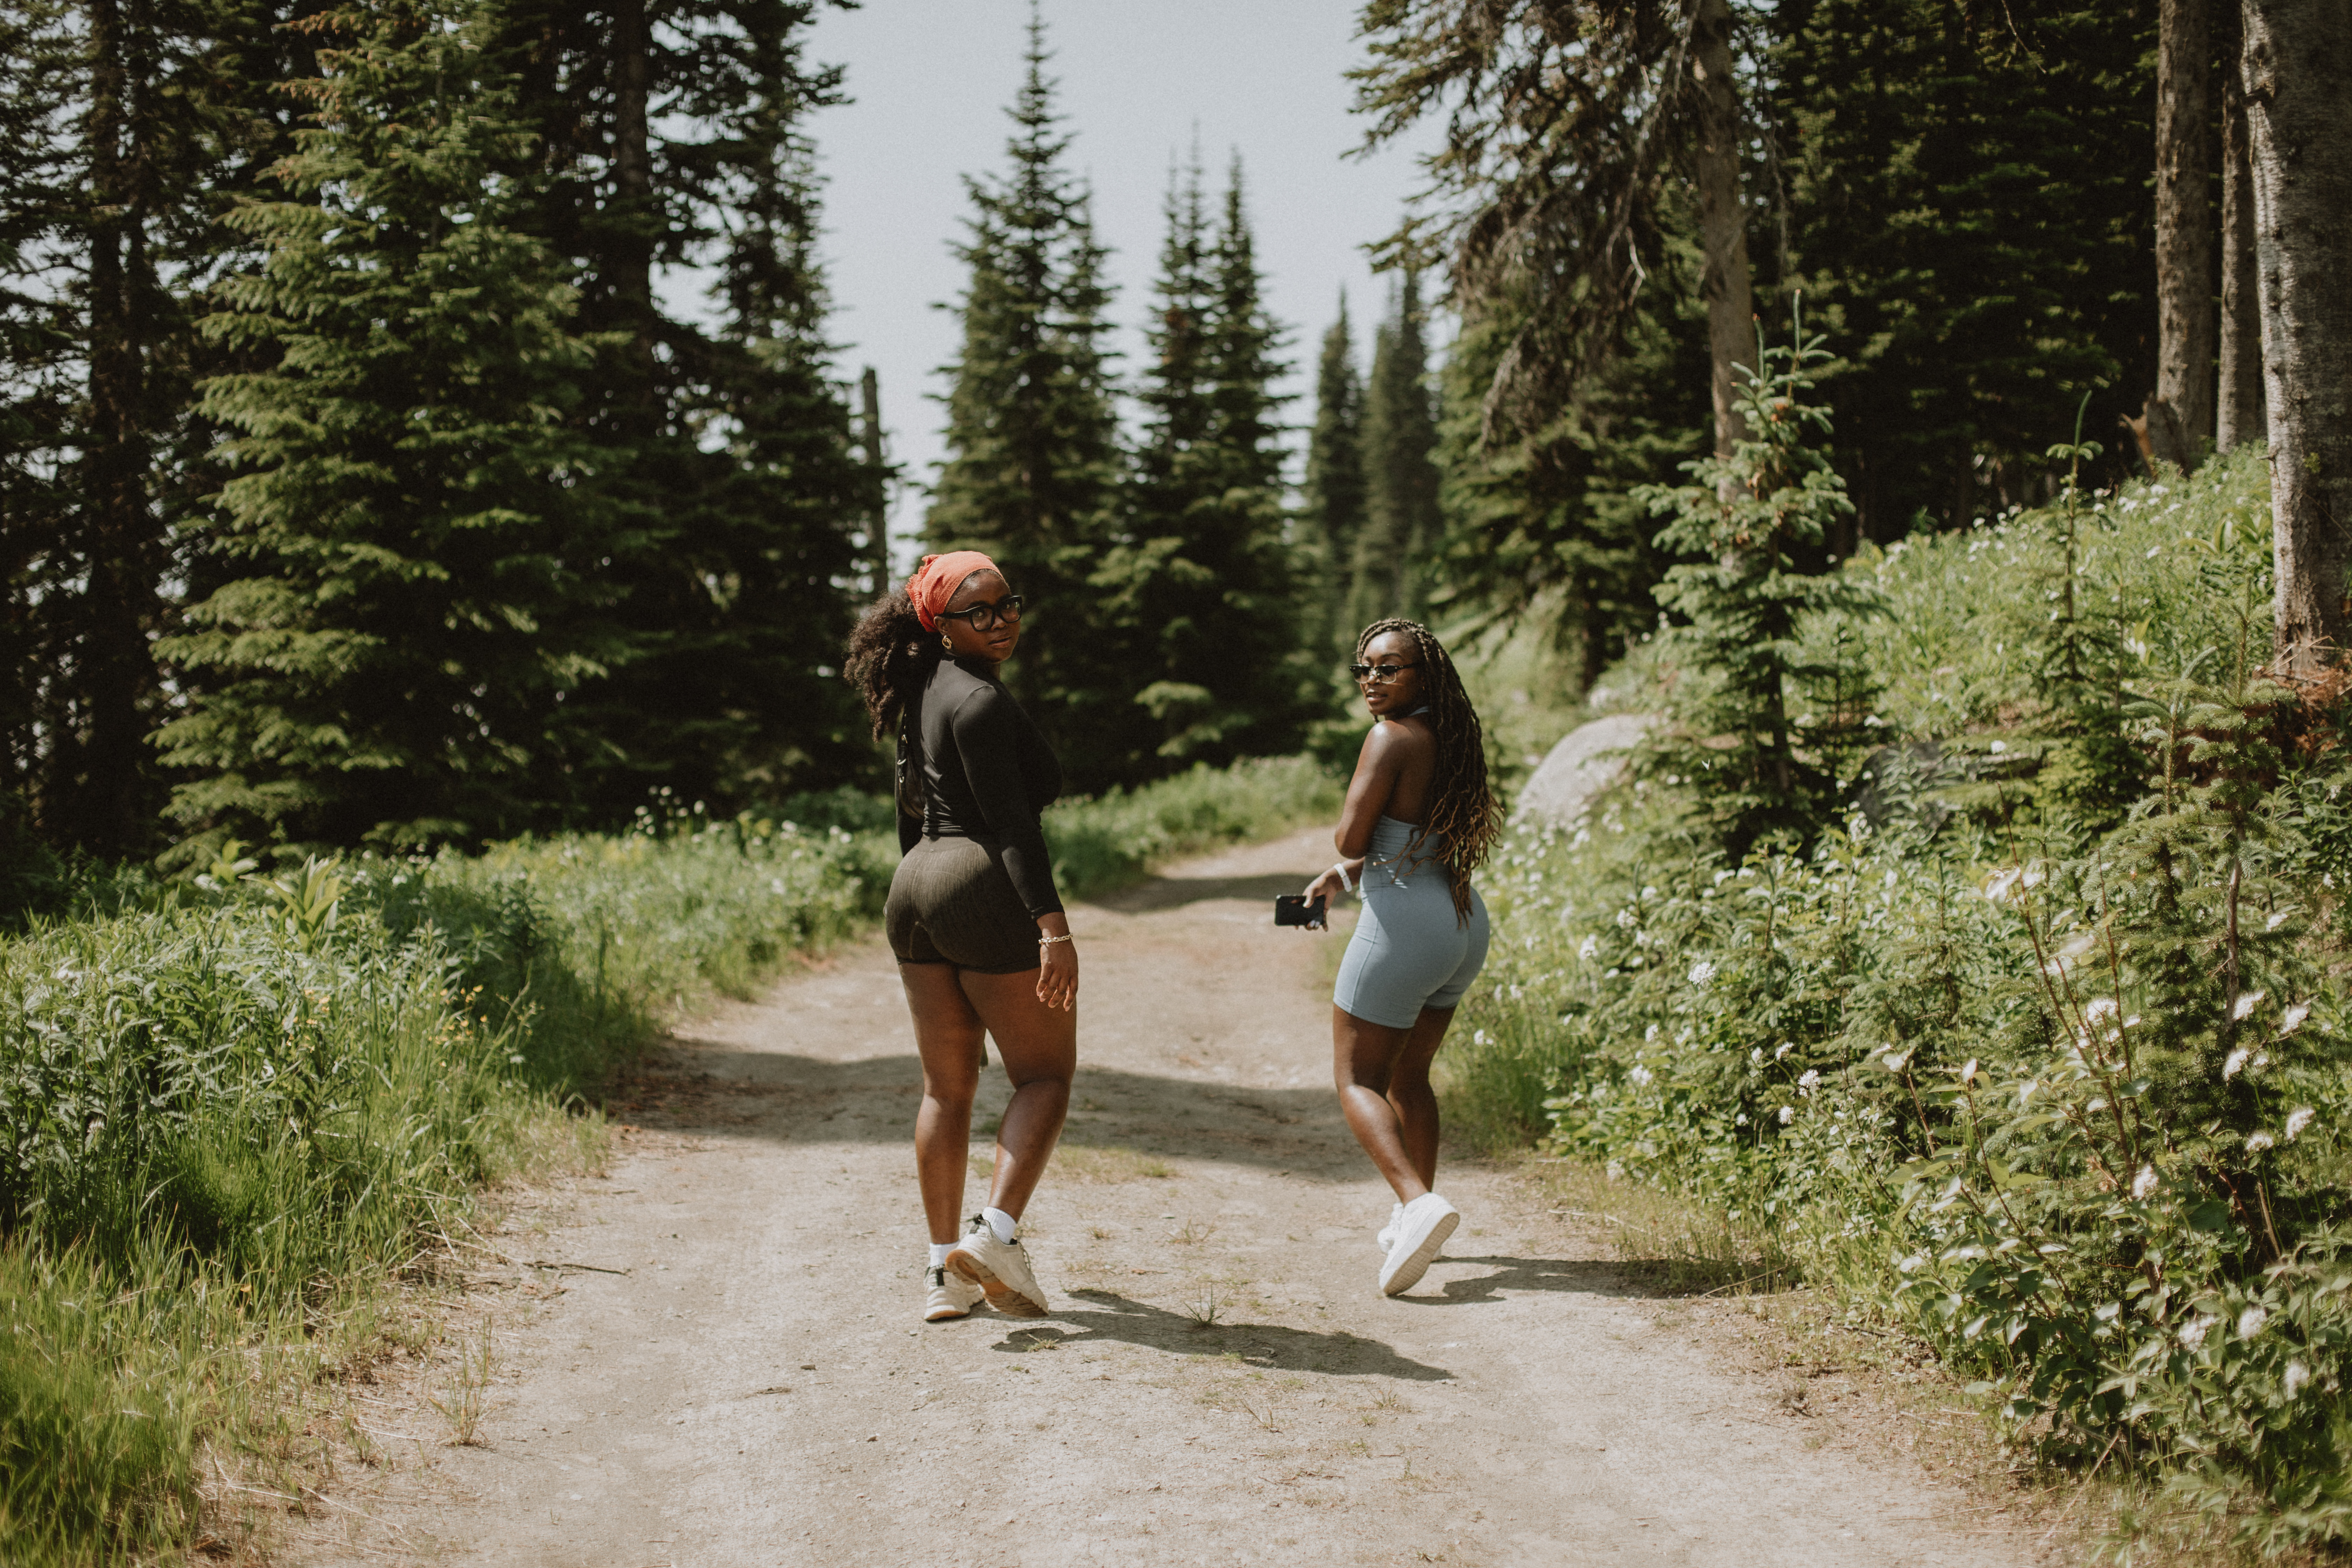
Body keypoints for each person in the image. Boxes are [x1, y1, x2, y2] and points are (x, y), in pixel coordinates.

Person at [844, 552, 1076, 1323]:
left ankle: (944, 1269)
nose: (1001, 619)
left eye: (1008, 602)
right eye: (979, 611)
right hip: (977, 880)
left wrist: (923, 898)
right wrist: (1053, 927)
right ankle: (996, 1235)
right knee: (1044, 1074)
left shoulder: (921, 694)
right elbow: (1014, 830)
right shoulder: (980, 702)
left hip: (914, 884)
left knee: (947, 1089)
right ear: (940, 627)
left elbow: (912, 810)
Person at [1302, 618, 1502, 1296]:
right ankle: (1416, 1211)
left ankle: (1417, 1204)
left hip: (1403, 928)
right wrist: (1346, 875)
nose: (1372, 679)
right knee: (1410, 1077)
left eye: (1390, 668)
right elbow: (1411, 841)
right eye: (1364, 667)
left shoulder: (1390, 737)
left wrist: (1344, 848)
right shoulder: (1452, 738)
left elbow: (1354, 830)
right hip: (1461, 921)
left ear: (1424, 674)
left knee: (1357, 1077)